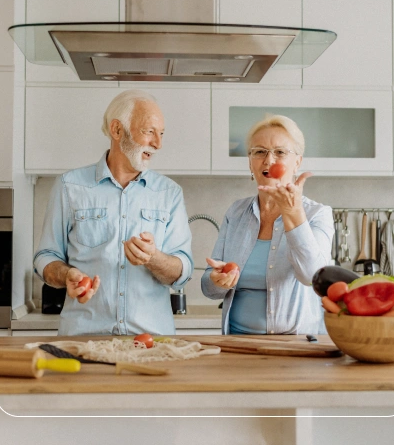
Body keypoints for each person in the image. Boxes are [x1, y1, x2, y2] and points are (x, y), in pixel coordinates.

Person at [34, 89, 193, 336]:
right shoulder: (70, 186)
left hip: (152, 342)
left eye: (161, 134)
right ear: (117, 130)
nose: (158, 144)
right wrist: (67, 275)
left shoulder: (169, 193)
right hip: (84, 339)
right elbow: (45, 257)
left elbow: (182, 272)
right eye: (149, 131)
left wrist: (153, 257)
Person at [201, 115, 334, 335]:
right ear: (250, 161)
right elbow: (209, 288)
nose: (269, 160)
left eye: (280, 152)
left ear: (297, 162)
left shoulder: (317, 214)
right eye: (260, 151)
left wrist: (293, 212)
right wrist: (217, 281)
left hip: (297, 346)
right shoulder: (236, 213)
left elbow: (312, 276)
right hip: (237, 345)